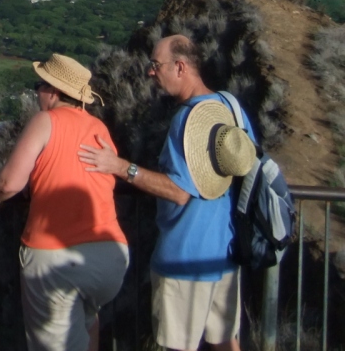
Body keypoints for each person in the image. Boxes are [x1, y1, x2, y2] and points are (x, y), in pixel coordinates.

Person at [78, 34, 257, 351]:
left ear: (180, 67)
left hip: (184, 256)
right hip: (225, 254)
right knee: (226, 342)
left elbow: (178, 192)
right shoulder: (232, 108)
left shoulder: (187, 122)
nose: (150, 72)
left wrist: (121, 167)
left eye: (155, 65)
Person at [0, 54, 129, 351]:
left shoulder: (45, 121)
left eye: (40, 85)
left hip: (56, 259)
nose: (37, 92)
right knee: (87, 323)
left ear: (52, 92)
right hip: (109, 256)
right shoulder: (98, 128)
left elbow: (8, 183)